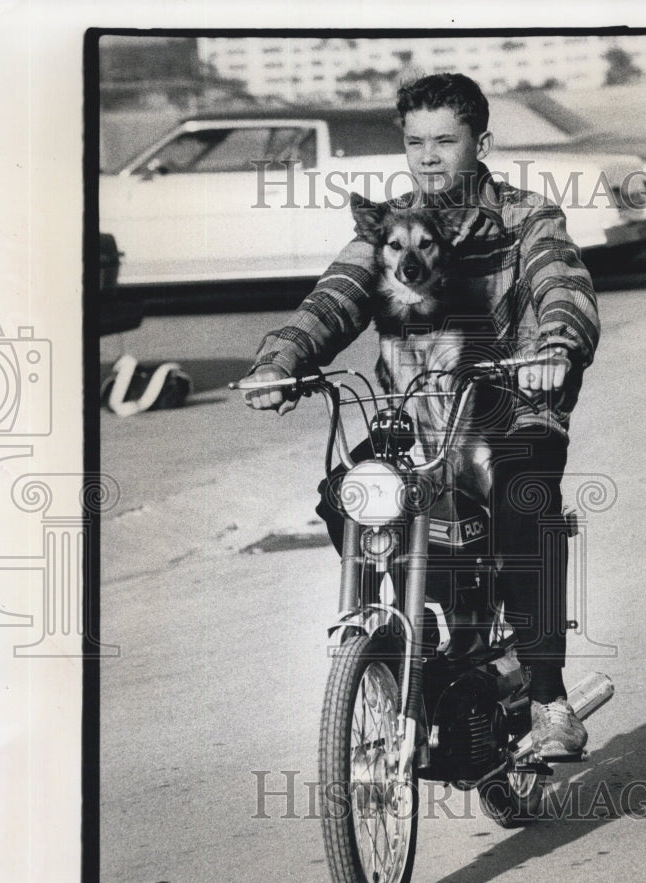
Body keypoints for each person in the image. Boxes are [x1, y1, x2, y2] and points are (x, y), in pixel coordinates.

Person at [243, 73, 600, 758]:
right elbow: (337, 295)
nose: (428, 156)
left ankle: (550, 697)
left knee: (526, 503)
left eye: (445, 140)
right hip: (419, 421)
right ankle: (413, 634)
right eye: (415, 142)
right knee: (346, 496)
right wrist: (281, 360)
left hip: (511, 412)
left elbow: (563, 286)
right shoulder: (394, 225)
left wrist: (554, 348)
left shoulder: (527, 219)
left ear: (481, 141)